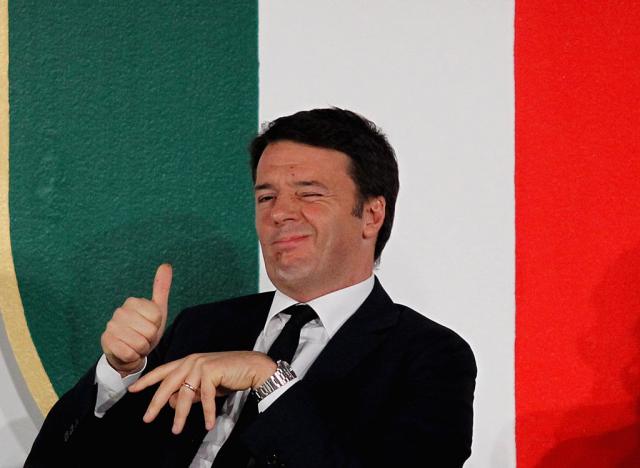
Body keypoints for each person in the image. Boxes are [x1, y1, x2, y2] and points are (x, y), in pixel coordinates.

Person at [25, 108, 477, 468]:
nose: (280, 213)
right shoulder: (199, 329)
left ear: (372, 214)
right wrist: (117, 373)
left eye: (309, 193)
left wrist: (268, 378)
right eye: (266, 197)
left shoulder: (431, 358)